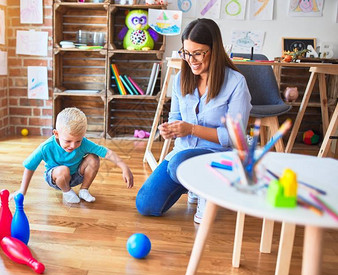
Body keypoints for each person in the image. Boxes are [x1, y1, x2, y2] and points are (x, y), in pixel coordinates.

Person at [136, 18, 252, 223]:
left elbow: (234, 137)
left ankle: (207, 187)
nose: (191, 60)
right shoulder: (181, 78)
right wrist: (169, 129)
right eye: (186, 53)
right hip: (184, 152)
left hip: (220, 155)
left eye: (198, 53)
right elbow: (175, 117)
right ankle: (194, 184)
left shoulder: (236, 83)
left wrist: (190, 129)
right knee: (146, 205)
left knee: (178, 164)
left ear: (214, 50)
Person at [16, 107, 134, 204]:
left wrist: (124, 167)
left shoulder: (83, 143)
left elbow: (106, 152)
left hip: (75, 175)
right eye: (68, 141)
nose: (73, 145)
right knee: (63, 170)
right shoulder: (45, 147)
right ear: (56, 134)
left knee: (93, 158)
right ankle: (67, 192)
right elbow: (29, 166)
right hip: (56, 177)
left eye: (78, 141)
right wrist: (22, 190)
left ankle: (84, 190)